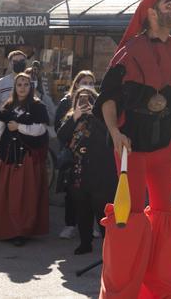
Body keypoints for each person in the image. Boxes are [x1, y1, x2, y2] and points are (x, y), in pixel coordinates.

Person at [96, 0, 171, 299]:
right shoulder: (131, 50)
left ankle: (160, 289)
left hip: (162, 148)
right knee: (129, 218)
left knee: (162, 212)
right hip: (133, 148)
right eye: (168, 4)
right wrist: (115, 133)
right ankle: (123, 292)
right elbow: (109, 98)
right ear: (152, 13)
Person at [0, 72, 50, 244]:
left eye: (26, 84)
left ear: (31, 86)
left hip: (26, 157)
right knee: (6, 195)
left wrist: (19, 126)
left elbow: (39, 130)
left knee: (23, 195)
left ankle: (21, 231)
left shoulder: (37, 106)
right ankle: (5, 228)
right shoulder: (8, 105)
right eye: (19, 84)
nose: (22, 88)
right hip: (7, 155)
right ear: (15, 87)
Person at [57, 85, 116, 255]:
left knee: (101, 209)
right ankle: (85, 243)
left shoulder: (103, 119)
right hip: (78, 171)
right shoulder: (73, 119)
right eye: (81, 99)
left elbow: (108, 136)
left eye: (89, 99)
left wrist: (94, 116)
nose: (85, 102)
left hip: (100, 171)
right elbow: (61, 136)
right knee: (82, 208)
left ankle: (108, 245)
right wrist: (75, 117)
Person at [55, 70, 98, 240]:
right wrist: (76, 116)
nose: (87, 86)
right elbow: (60, 131)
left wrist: (94, 114)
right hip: (74, 157)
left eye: (91, 82)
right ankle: (70, 225)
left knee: (94, 193)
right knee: (72, 193)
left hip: (94, 157)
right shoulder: (68, 103)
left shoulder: (100, 103)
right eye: (84, 82)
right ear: (77, 84)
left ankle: (93, 226)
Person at [0, 50, 29, 143]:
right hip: (3, 132)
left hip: (27, 131)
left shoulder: (33, 82)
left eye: (21, 61)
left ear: (26, 63)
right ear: (10, 64)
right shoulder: (1, 84)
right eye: (15, 62)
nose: (18, 64)